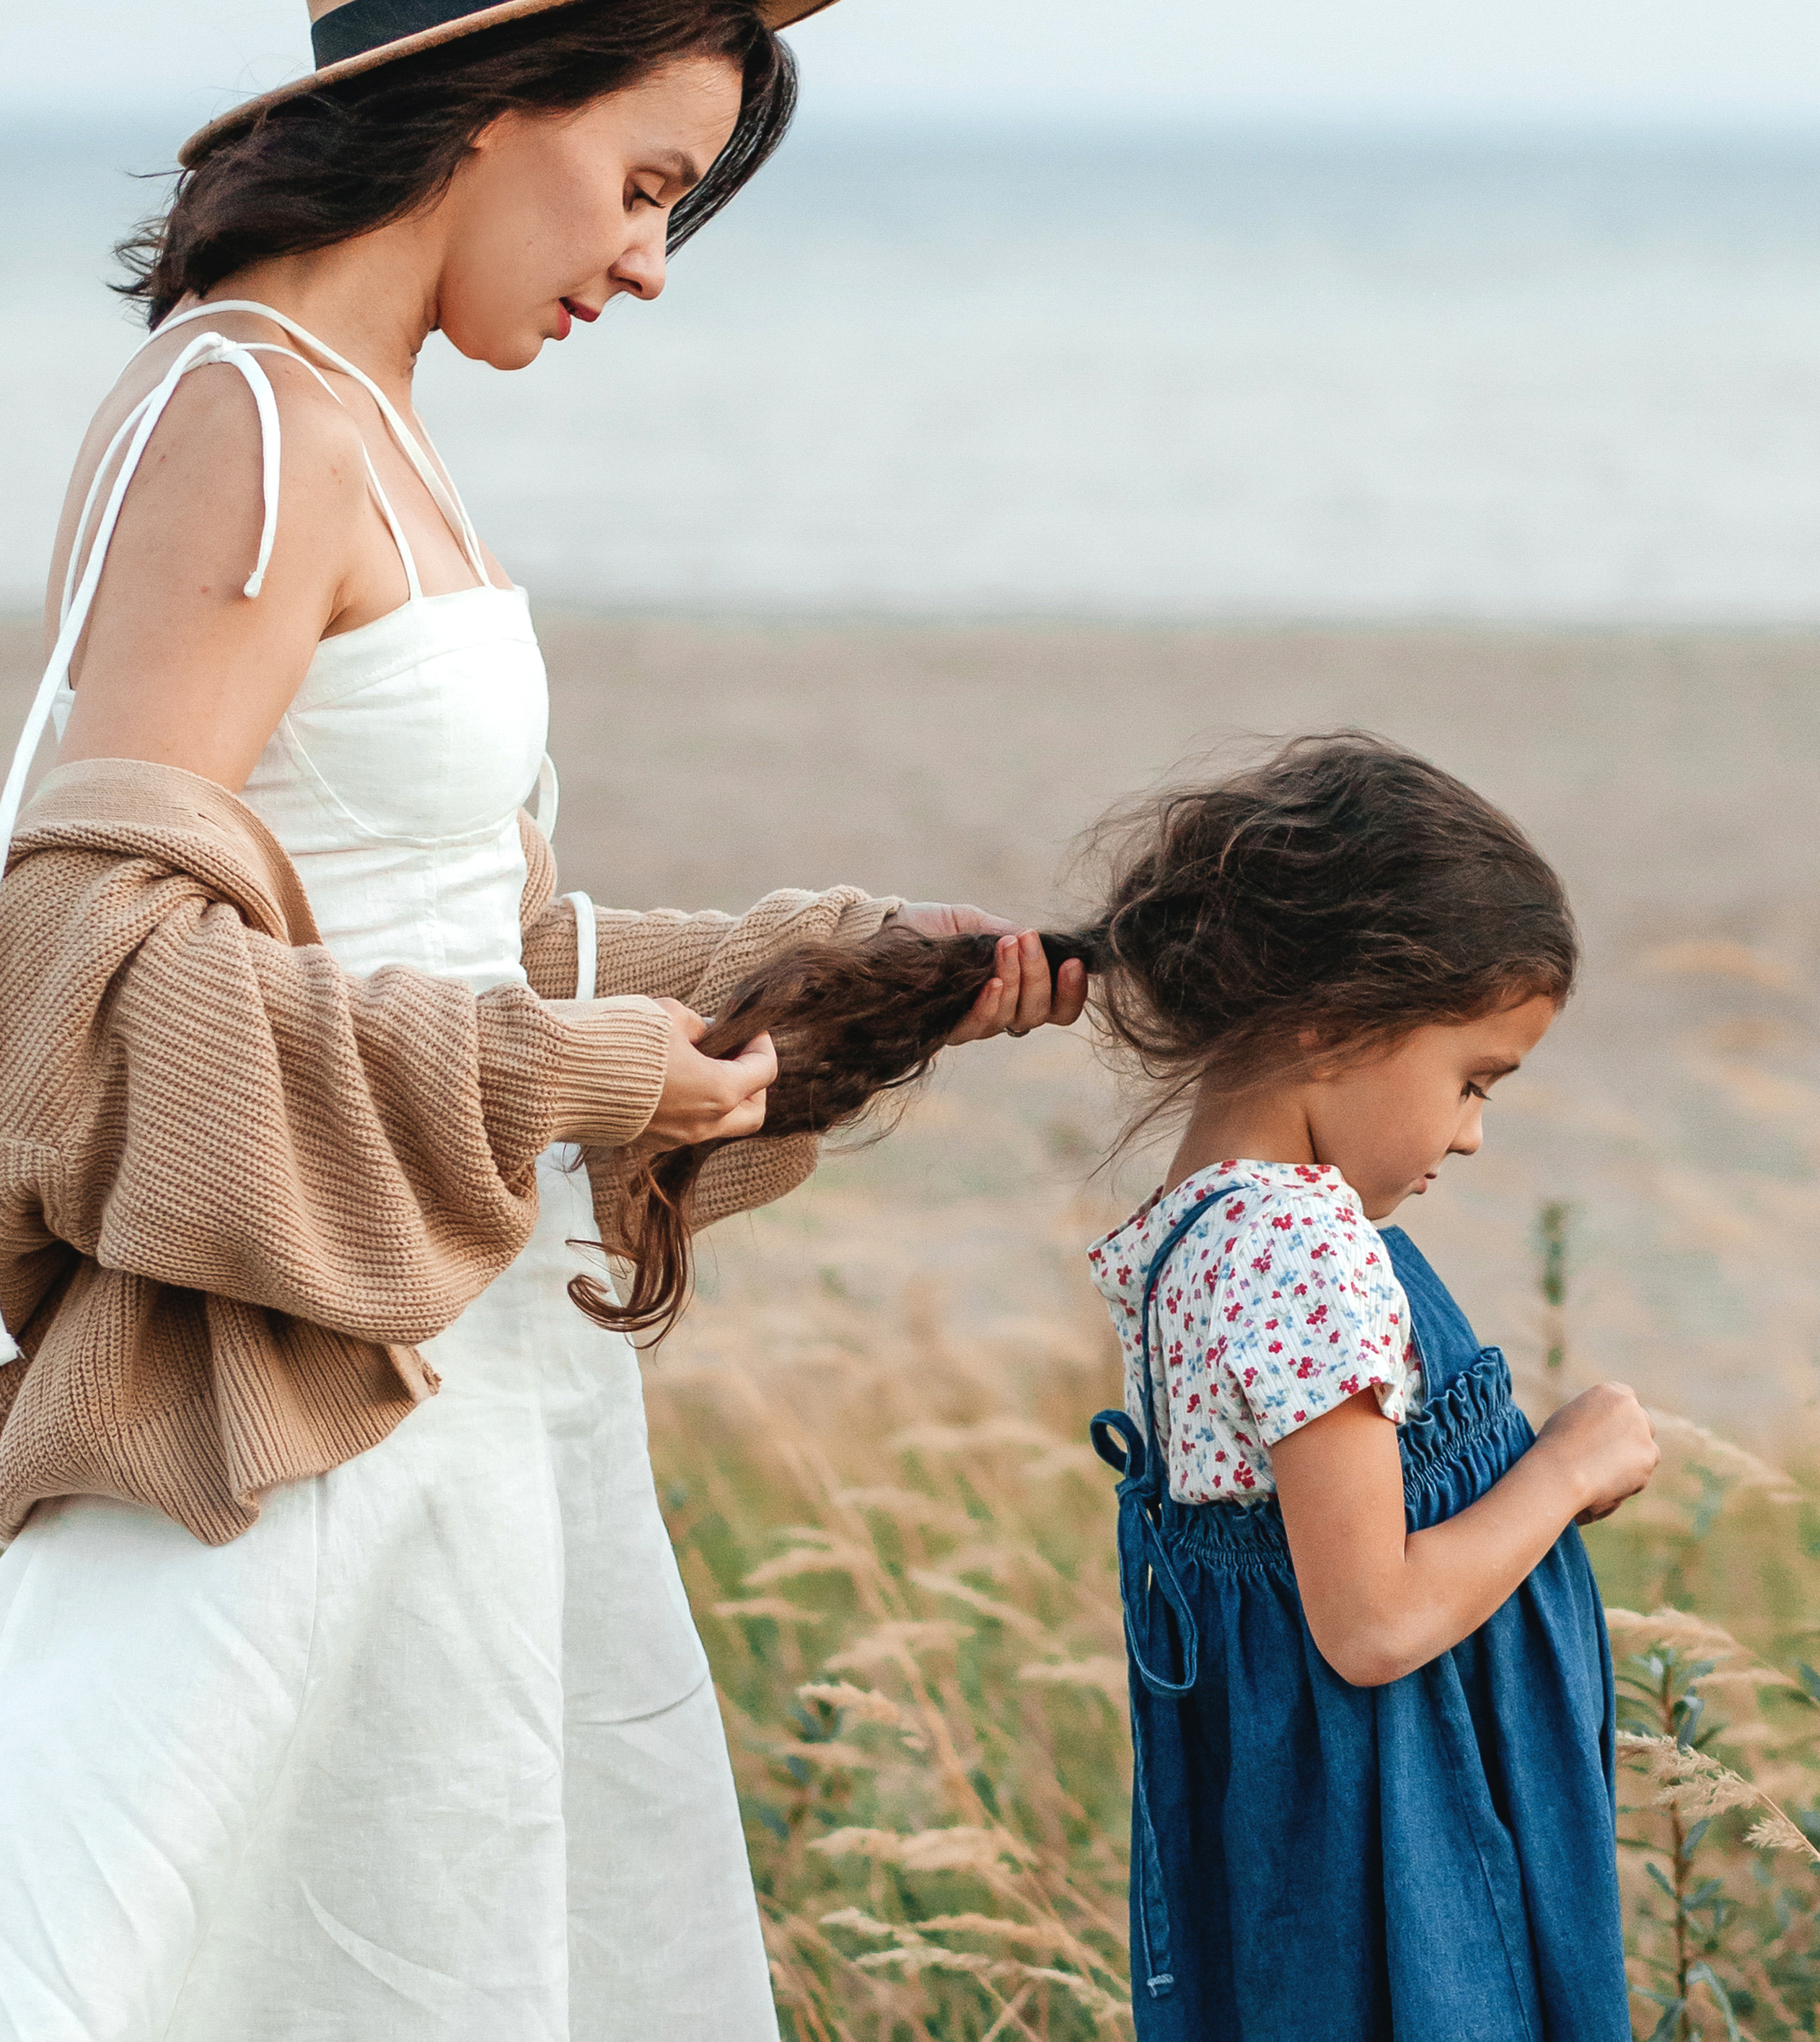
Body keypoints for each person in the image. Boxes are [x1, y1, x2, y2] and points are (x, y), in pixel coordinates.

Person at [0, 0, 1084, 2042]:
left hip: (458, 1353)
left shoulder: (364, 417)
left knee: (432, 1931)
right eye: (649, 184)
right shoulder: (248, 423)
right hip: (303, 1374)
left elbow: (460, 930)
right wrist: (573, 1072)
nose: (654, 263)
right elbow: (89, 973)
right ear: (488, 107)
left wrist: (834, 965)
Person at [666, 734, 1654, 2037]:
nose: (1473, 1130)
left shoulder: (1200, 1227)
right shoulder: (1303, 1246)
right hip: (1400, 1833)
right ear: (1336, 1023)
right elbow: (1372, 1622)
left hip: (1290, 1833)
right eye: (1473, 1079)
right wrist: (1565, 1470)